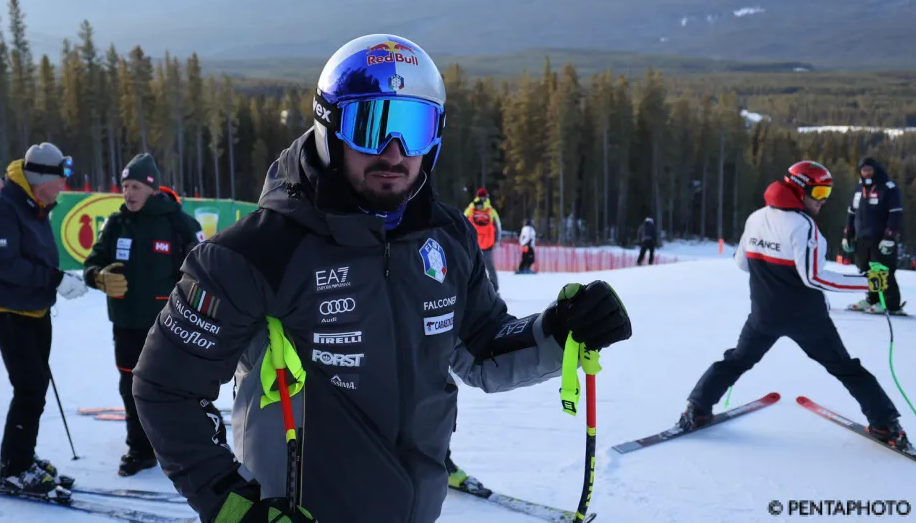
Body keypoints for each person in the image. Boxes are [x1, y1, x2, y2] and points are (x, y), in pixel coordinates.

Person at [132, 34, 633, 523]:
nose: (394, 153)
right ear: (330, 129)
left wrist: (563, 330)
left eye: (414, 128)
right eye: (371, 126)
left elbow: (482, 348)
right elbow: (164, 387)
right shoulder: (258, 251)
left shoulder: (447, 237)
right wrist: (233, 506)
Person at [677, 161, 908, 449]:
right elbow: (816, 278)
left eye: (827, 193)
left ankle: (696, 409)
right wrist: (868, 283)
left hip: (763, 316)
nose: (822, 201)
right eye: (819, 192)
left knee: (736, 360)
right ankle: (886, 426)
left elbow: (741, 263)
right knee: (846, 368)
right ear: (799, 190)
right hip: (807, 320)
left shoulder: (756, 217)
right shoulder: (804, 226)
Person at [84, 153, 214, 476]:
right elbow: (91, 264)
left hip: (169, 325)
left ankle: (180, 444)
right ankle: (140, 448)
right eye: (125, 186)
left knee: (173, 385)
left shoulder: (177, 222)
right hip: (127, 323)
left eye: (135, 186)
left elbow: (207, 268)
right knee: (130, 385)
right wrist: (98, 277)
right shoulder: (115, 224)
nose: (128, 193)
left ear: (152, 188)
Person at [0, 143, 88, 492]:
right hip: (10, 312)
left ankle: (21, 455)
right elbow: (5, 264)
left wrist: (54, 281)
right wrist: (54, 279)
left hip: (35, 309)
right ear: (42, 178)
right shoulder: (2, 207)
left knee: (35, 387)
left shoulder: (34, 205)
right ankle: (14, 464)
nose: (64, 185)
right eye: (61, 178)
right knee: (30, 388)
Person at [843, 157, 904, 313]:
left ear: (876, 170)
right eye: (864, 170)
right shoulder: (859, 189)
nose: (867, 173)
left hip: (881, 238)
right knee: (868, 269)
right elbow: (851, 212)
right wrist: (848, 233)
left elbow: (895, 214)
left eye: (869, 170)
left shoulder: (888, 188)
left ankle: (891, 304)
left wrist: (890, 237)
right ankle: (873, 299)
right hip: (863, 237)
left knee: (883, 270)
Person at [464, 187, 501, 290]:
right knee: (490, 267)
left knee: (471, 267)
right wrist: (497, 241)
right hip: (488, 244)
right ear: (487, 197)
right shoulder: (490, 210)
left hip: (473, 244)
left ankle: (470, 289)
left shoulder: (470, 209)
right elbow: (498, 226)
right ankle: (494, 288)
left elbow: (462, 223)